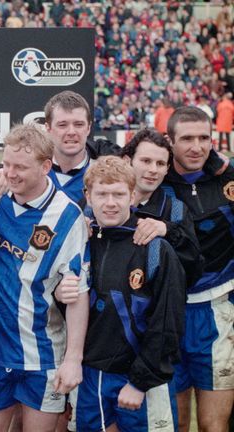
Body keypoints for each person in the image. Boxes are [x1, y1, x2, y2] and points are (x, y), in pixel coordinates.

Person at [0, 124, 90, 432]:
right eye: (6, 164)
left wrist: (73, 359)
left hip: (43, 356)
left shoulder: (68, 216)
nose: (10, 173)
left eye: (20, 167)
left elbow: (78, 292)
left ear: (45, 166)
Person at [64, 156, 185, 432]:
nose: (110, 203)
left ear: (132, 195)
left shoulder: (154, 249)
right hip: (92, 377)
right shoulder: (78, 244)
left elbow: (168, 323)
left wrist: (140, 382)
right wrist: (62, 294)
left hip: (144, 378)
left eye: (118, 194)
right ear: (87, 196)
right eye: (102, 194)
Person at [162, 106, 234, 432]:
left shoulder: (229, 176)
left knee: (212, 425)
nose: (197, 147)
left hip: (218, 312)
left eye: (204, 138)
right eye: (187, 138)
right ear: (170, 141)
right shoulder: (151, 178)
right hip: (166, 315)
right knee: (174, 422)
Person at [0, 90, 119, 206]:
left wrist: (144, 220)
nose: (71, 132)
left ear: (88, 128)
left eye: (78, 124)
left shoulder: (107, 173)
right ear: (48, 128)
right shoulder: (20, 172)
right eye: (62, 125)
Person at [119, 128, 202, 287]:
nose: (153, 170)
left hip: (156, 309)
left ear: (167, 169)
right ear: (127, 161)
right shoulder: (101, 203)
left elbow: (194, 269)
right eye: (146, 161)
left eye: (160, 164)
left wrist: (169, 231)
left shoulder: (176, 211)